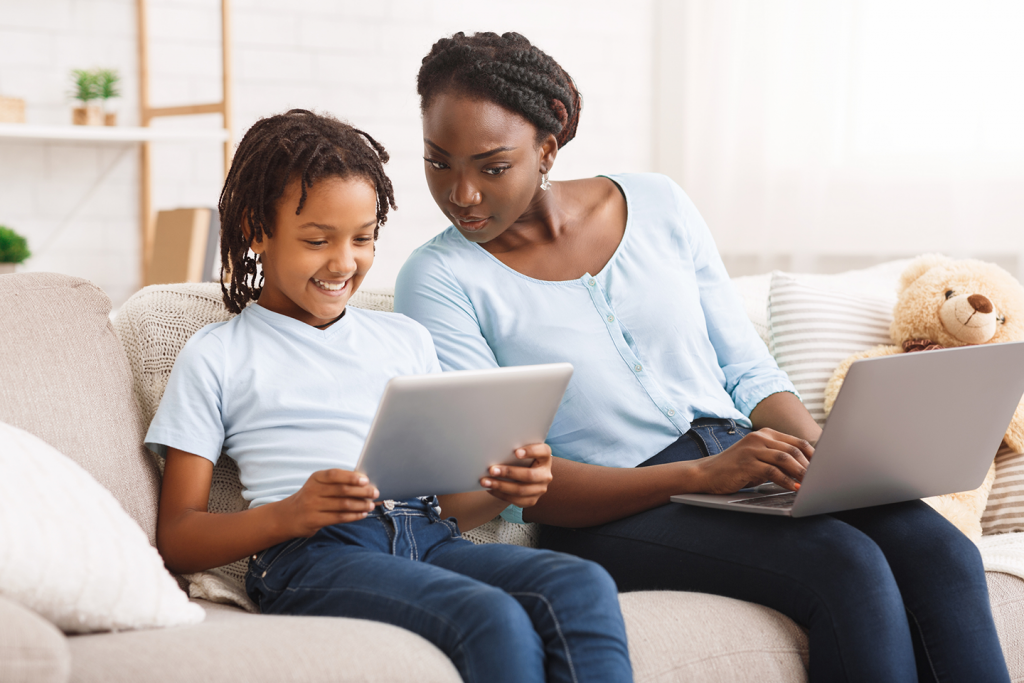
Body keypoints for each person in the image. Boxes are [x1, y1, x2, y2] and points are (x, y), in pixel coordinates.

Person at [394, 32, 1010, 683]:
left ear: (547, 149)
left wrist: (831, 461)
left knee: (940, 548)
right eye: (438, 163)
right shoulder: (439, 278)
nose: (461, 194)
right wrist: (700, 476)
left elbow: (748, 370)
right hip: (613, 509)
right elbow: (513, 482)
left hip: (741, 461)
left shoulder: (658, 203)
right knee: (847, 565)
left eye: (491, 167)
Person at [146, 109, 633, 683]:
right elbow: (178, 536)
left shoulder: (404, 338)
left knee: (581, 584)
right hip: (314, 555)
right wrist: (291, 514)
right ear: (257, 229)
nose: (343, 262)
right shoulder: (217, 353)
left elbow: (447, 506)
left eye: (363, 238)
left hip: (425, 536)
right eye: (315, 240)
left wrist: (503, 486)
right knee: (492, 618)